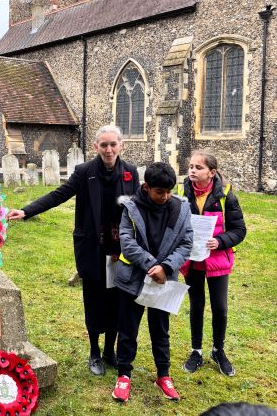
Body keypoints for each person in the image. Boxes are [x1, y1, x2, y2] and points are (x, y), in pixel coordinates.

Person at [8, 125, 139, 376]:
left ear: (121, 145)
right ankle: (94, 352)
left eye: (113, 144)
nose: (109, 150)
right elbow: (59, 195)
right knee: (94, 301)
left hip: (118, 250)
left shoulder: (130, 173)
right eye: (104, 145)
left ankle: (109, 351)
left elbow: (139, 208)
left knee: (115, 301)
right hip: (92, 248)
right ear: (96, 147)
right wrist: (26, 211)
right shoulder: (84, 172)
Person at [112, 162, 193, 403]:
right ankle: (124, 374)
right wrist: (151, 265)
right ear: (146, 187)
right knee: (127, 330)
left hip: (163, 281)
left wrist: (166, 267)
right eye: (160, 192)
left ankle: (163, 375)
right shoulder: (130, 208)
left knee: (161, 330)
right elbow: (127, 242)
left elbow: (186, 243)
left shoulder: (181, 209)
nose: (165, 197)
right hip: (132, 279)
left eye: (169, 191)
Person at [179, 150, 246, 377]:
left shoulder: (226, 196)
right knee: (196, 305)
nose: (192, 171)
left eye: (198, 167)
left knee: (220, 307)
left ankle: (218, 351)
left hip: (217, 260)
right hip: (193, 260)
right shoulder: (182, 192)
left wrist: (219, 241)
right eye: (191, 166)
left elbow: (239, 230)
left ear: (212, 172)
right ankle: (196, 351)